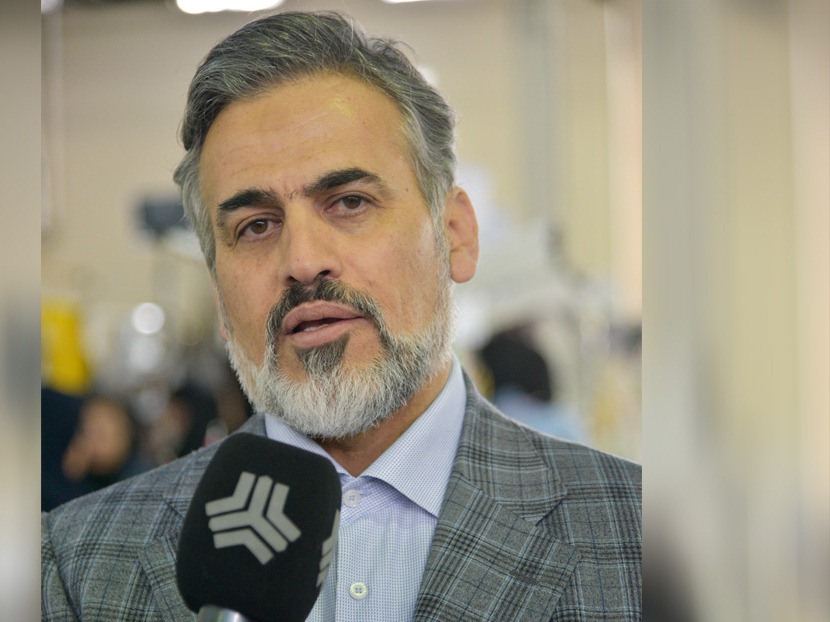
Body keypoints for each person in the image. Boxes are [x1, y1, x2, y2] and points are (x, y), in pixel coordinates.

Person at [42, 11, 641, 621]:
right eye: (256, 226)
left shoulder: (638, 537)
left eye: (350, 202)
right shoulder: (75, 565)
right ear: (219, 293)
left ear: (455, 235)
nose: (303, 261)